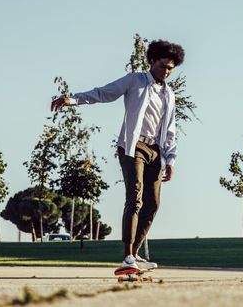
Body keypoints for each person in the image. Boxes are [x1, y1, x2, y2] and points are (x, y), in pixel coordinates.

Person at [51, 39, 184, 272]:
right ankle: (126, 257)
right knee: (135, 198)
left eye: (171, 69)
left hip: (156, 151)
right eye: (163, 66)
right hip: (133, 148)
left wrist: (170, 160)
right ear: (152, 61)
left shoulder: (169, 94)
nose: (166, 72)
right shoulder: (136, 81)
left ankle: (135, 254)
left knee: (152, 205)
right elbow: (104, 93)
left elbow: (170, 128)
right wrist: (71, 99)